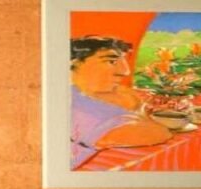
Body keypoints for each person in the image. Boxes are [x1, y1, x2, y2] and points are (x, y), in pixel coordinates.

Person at [70, 36, 172, 169]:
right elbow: (157, 133)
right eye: (111, 61)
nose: (125, 71)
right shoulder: (70, 103)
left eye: (124, 61)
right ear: (75, 64)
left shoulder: (100, 95)